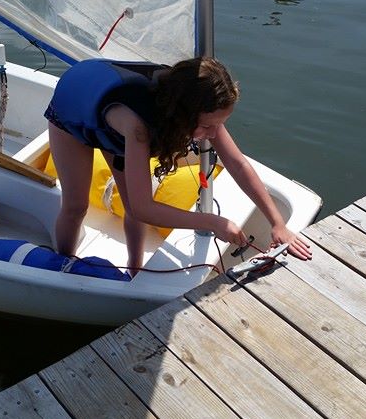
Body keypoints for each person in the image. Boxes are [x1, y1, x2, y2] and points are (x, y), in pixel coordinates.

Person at [44, 56, 311, 274]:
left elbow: (237, 163)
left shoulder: (198, 107)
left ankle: (134, 272)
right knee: (76, 206)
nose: (213, 132)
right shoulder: (138, 128)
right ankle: (62, 263)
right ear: (182, 114)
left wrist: (277, 223)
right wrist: (213, 222)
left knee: (133, 211)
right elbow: (143, 207)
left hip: (110, 112)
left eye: (219, 124)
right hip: (73, 112)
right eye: (207, 125)